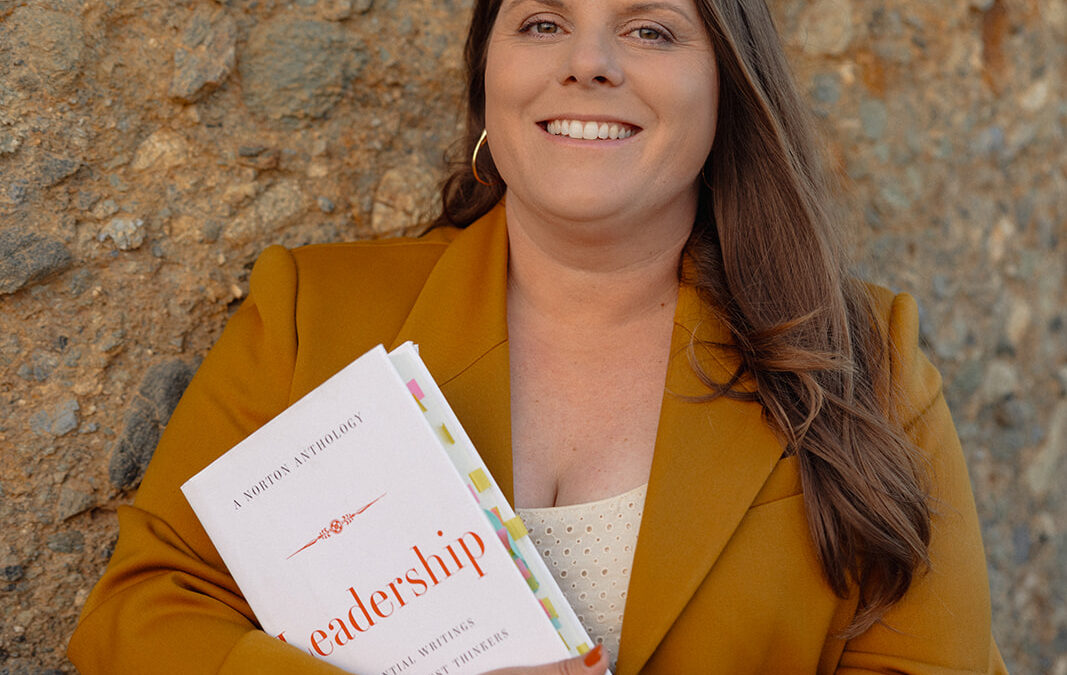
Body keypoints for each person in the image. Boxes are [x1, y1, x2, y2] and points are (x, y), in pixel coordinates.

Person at [67, 0, 1008, 673]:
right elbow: (138, 617)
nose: (587, 62)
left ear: (727, 85)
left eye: (649, 29)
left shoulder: (862, 357)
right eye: (543, 23)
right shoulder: (312, 311)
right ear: (489, 76)